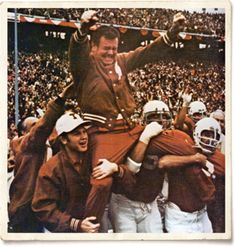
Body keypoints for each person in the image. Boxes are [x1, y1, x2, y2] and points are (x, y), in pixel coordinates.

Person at [69, 9, 187, 224]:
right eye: (105, 49)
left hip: (130, 129)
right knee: (101, 183)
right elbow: (76, 51)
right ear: (93, 48)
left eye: (114, 49)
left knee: (179, 141)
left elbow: (147, 52)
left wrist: (170, 33)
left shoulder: (121, 61)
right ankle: (89, 228)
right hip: (104, 135)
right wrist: (82, 30)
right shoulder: (84, 66)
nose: (110, 54)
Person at [121, 100, 224, 233]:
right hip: (127, 202)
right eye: (154, 117)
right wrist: (145, 138)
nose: (160, 121)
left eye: (164, 117)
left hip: (154, 205)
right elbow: (135, 167)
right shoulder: (138, 135)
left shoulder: (175, 138)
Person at [8, 83, 74, 232]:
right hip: (26, 211)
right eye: (34, 125)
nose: (39, 126)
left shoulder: (49, 145)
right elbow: (43, 127)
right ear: (23, 133)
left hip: (48, 207)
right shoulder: (24, 145)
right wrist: (61, 98)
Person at [32, 112, 100, 233]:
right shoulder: (50, 169)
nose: (84, 136)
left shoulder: (92, 158)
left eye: (84, 131)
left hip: (91, 227)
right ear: (63, 139)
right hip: (62, 233)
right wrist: (75, 224)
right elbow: (42, 208)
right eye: (76, 133)